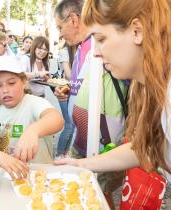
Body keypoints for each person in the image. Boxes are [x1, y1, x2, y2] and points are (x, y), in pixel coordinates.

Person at [54, 0, 171, 192]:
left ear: (137, 32)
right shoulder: (157, 84)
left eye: (101, 39)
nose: (96, 52)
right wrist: (82, 165)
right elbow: (143, 148)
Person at [53, 0, 128, 208]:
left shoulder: (99, 45)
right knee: (85, 193)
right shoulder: (81, 49)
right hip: (82, 141)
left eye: (60, 27)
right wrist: (67, 91)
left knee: (99, 197)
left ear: (74, 19)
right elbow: (84, 87)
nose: (59, 34)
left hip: (106, 146)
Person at [0, 56, 64, 163]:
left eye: (11, 83)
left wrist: (33, 131)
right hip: (8, 175)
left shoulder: (34, 102)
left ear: (23, 82)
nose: (5, 90)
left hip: (39, 175)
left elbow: (56, 119)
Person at [55, 42, 77, 157]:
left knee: (72, 126)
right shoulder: (65, 51)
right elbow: (68, 74)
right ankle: (59, 154)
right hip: (65, 91)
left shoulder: (81, 50)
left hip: (76, 92)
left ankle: (65, 153)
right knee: (69, 125)